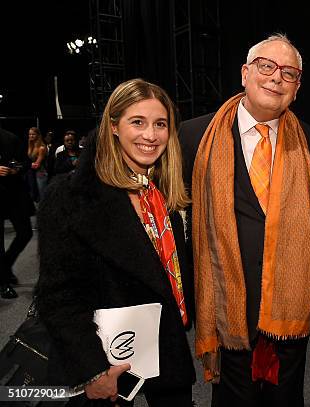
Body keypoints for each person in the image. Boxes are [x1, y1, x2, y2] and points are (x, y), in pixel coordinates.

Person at [179, 34, 310, 407]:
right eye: (266, 66)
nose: (276, 77)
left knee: (286, 399)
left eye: (289, 72)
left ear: (297, 86)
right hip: (226, 310)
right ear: (245, 73)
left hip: (288, 313)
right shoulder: (194, 136)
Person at [35, 79, 195, 406]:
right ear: (114, 127)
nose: (150, 135)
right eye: (137, 122)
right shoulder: (69, 196)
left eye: (160, 124)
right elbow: (58, 296)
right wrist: (92, 371)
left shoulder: (167, 192)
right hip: (107, 361)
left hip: (167, 352)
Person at [0, 126, 34, 299]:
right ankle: (3, 282)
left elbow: (26, 162)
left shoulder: (10, 137)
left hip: (14, 193)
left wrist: (16, 169)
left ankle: (4, 266)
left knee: (26, 232)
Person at [26, 127, 48, 202]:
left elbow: (37, 165)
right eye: (30, 134)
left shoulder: (41, 147)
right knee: (33, 194)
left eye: (33, 134)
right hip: (31, 173)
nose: (31, 136)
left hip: (40, 173)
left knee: (42, 195)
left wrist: (28, 164)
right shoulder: (31, 145)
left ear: (38, 135)